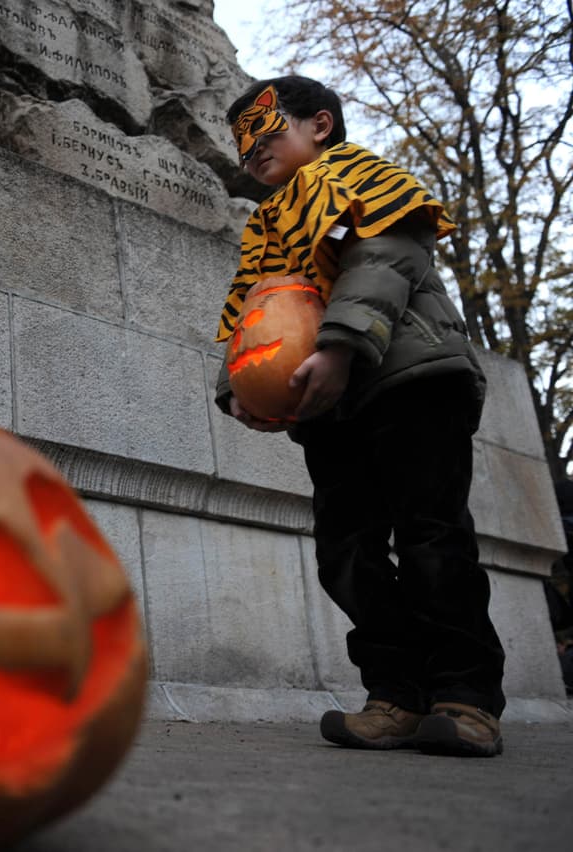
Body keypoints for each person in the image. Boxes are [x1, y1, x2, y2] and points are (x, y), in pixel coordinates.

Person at [213, 76, 505, 757]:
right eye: (242, 146)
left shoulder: (362, 179)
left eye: (265, 132)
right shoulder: (267, 226)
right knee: (345, 553)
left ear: (320, 125)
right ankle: (396, 694)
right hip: (330, 409)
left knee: (432, 536)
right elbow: (254, 305)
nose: (252, 152)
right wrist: (239, 386)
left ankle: (465, 696)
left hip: (412, 381)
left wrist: (340, 344)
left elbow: (382, 256)